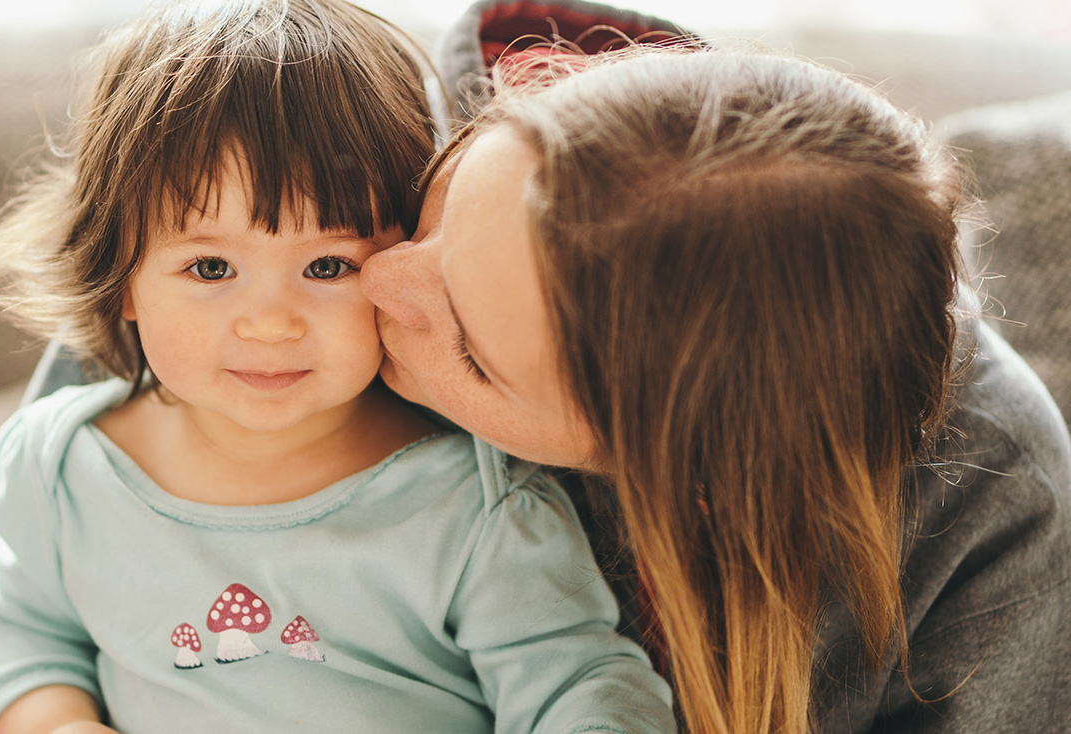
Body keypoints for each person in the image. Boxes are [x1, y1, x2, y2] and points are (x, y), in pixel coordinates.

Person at [0, 1, 675, 733]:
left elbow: (580, 686)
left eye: (327, 265)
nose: (271, 322)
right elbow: (18, 627)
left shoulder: (478, 504)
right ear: (121, 276)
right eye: (210, 266)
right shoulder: (58, 469)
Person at [359, 41, 1071, 734]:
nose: (378, 276)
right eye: (449, 199)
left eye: (472, 354)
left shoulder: (1004, 519)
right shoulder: (362, 159)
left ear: (687, 482)